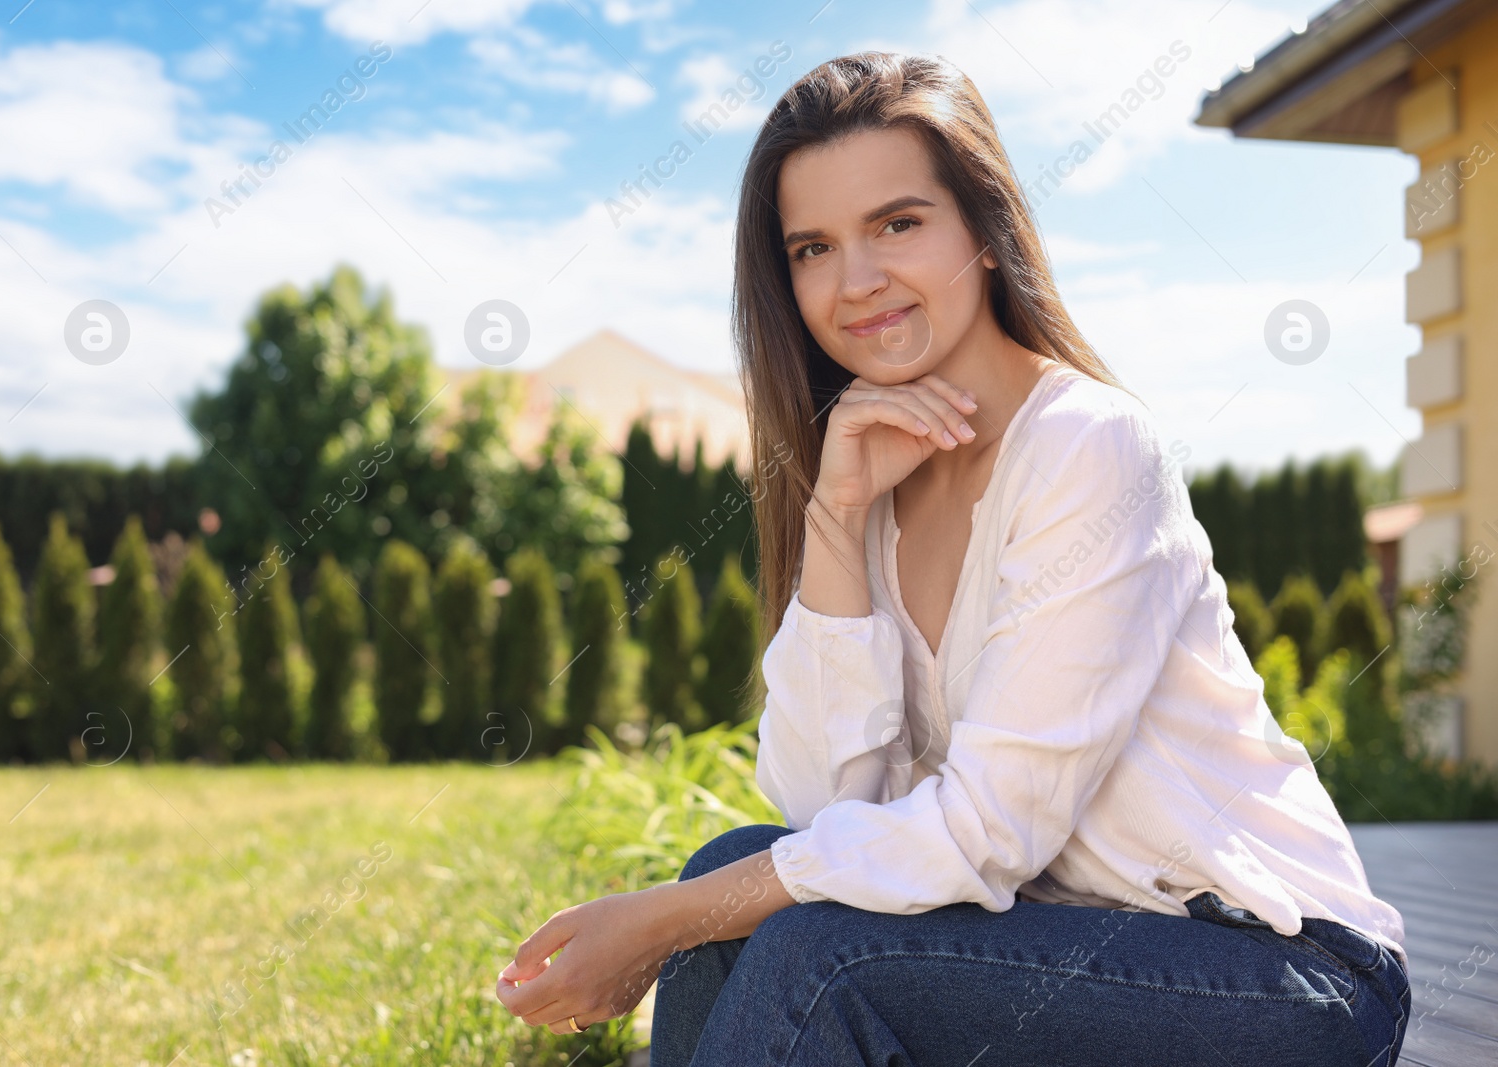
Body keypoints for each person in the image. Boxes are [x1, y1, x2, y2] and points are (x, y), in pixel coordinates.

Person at [494, 51, 1410, 1066]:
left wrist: (666, 916)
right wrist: (838, 520)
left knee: (808, 949)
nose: (855, 281)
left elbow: (984, 832)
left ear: (983, 230)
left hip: (1280, 973)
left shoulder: (1089, 449)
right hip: (1059, 937)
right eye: (811, 247)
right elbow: (822, 812)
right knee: (734, 872)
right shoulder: (872, 478)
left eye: (897, 223)